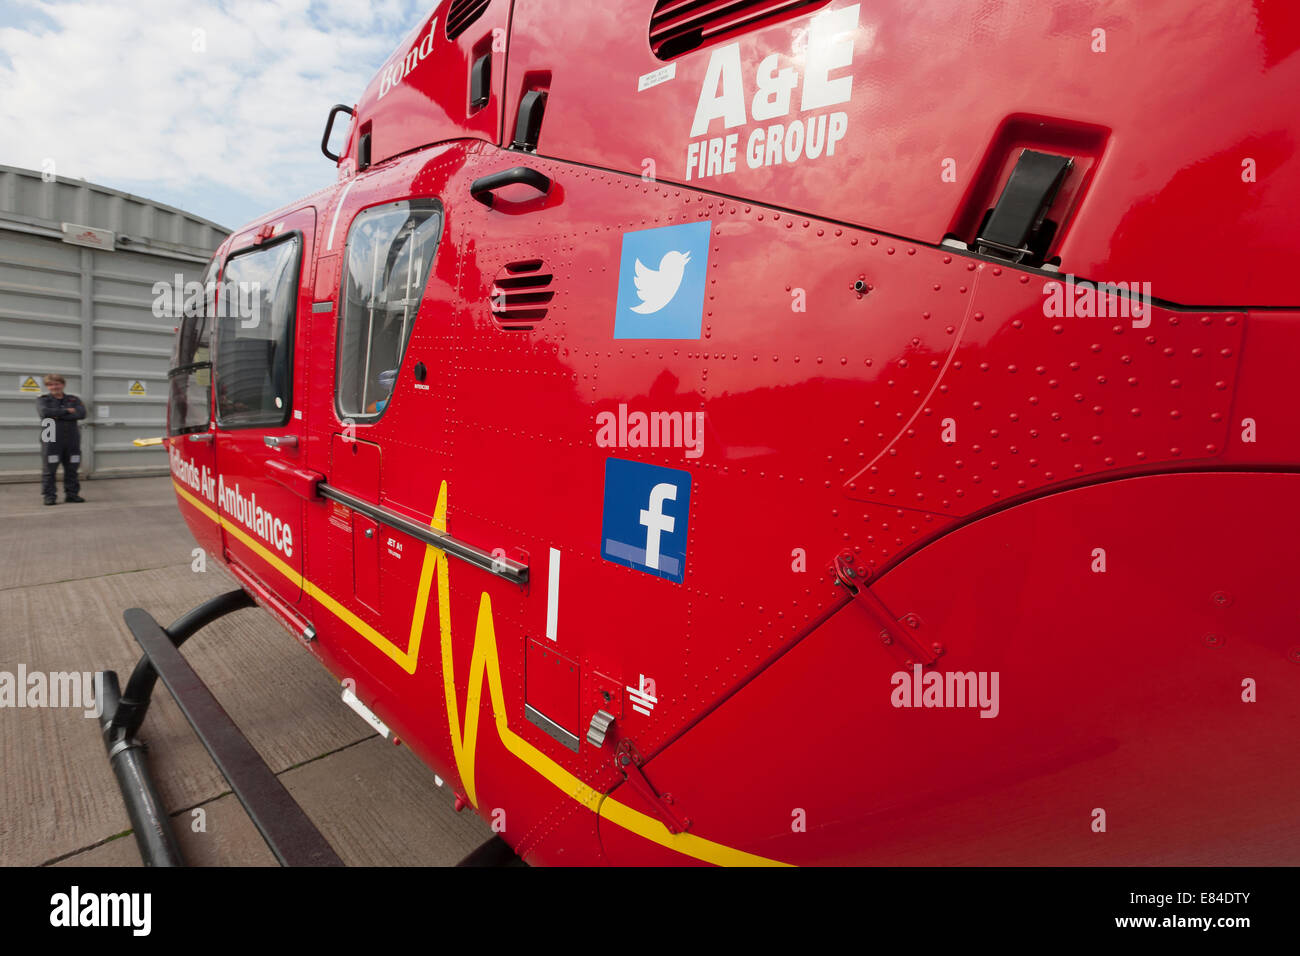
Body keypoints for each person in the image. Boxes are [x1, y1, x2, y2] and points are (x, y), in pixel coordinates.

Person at [37, 374, 86, 505]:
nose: (54, 387)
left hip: (71, 438)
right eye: (51, 385)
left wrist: (57, 414)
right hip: (50, 435)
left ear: (63, 384)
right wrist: (67, 411)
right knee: (49, 470)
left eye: (57, 384)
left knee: (72, 468)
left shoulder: (73, 399)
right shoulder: (43, 399)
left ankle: (72, 494)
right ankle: (49, 496)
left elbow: (81, 414)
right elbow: (45, 413)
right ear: (47, 386)